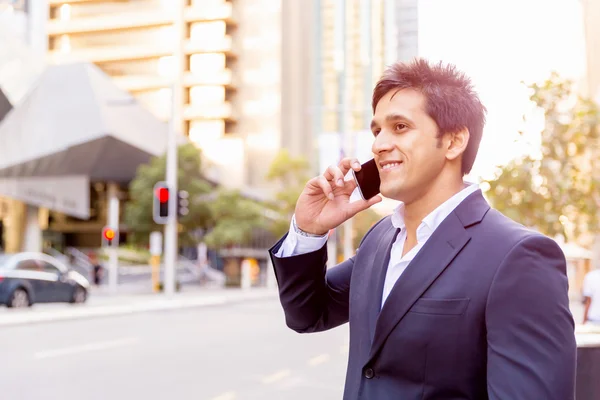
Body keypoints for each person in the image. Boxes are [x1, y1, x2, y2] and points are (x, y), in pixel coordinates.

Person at [269, 58, 576, 400]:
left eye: (399, 127)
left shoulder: (519, 257)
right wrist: (308, 231)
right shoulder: (379, 240)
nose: (379, 144)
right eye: (377, 130)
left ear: (454, 141)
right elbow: (307, 314)